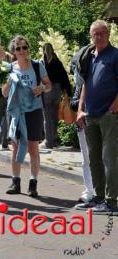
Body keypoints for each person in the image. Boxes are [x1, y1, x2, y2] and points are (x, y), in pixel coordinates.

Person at [75, 20, 118, 214]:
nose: (98, 37)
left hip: (109, 115)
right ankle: (99, 197)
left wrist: (113, 108)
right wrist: (80, 109)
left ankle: (111, 202)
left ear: (108, 35)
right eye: (95, 34)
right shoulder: (89, 56)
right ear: (91, 36)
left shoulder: (115, 55)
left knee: (109, 159)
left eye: (102, 33)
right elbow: (85, 84)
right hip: (90, 114)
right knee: (94, 159)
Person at [2, 36, 51, 197]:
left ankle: (33, 183)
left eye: (24, 48)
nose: (22, 51)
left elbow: (49, 85)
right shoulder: (9, 68)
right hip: (16, 112)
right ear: (13, 51)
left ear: (28, 49)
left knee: (33, 147)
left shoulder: (37, 66)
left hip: (34, 110)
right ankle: (15, 182)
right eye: (18, 48)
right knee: (15, 147)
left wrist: (41, 88)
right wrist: (8, 83)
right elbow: (4, 93)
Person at [70, 55, 95, 204]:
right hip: (83, 122)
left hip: (102, 120)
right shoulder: (81, 82)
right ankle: (89, 190)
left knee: (104, 158)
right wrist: (80, 105)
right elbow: (74, 102)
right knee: (86, 159)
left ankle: (104, 192)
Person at [41, 43, 72, 149]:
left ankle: (48, 142)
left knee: (47, 117)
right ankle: (53, 140)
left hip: (47, 90)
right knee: (54, 116)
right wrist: (67, 91)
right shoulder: (58, 62)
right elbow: (64, 76)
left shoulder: (42, 63)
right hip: (58, 90)